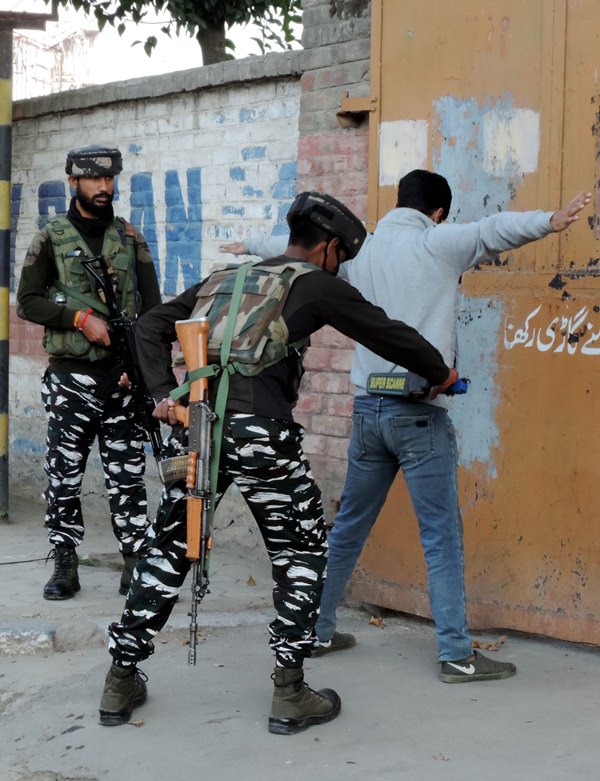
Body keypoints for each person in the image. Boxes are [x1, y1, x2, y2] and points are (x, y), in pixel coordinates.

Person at [97, 191, 457, 734]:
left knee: (170, 546)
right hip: (263, 433)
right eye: (343, 257)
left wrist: (163, 396)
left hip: (202, 433)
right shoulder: (313, 284)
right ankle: (289, 693)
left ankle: (119, 681)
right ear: (331, 247)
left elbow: (149, 325)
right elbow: (386, 331)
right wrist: (438, 370)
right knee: (300, 552)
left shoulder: (225, 279)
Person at [220, 171, 591, 684]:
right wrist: (549, 222)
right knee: (440, 536)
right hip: (419, 416)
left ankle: (317, 631)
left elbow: (295, 251)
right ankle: (458, 655)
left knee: (348, 527)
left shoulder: (361, 250)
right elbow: (492, 231)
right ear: (437, 213)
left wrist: (249, 245)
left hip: (367, 413)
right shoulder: (438, 243)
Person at [16, 144, 162, 601]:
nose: (104, 187)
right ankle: (64, 561)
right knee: (64, 473)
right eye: (94, 180)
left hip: (122, 379)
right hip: (71, 376)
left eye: (109, 179)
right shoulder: (51, 238)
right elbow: (28, 301)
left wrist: (139, 368)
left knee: (127, 472)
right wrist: (78, 319)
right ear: (74, 183)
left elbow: (155, 311)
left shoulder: (131, 238)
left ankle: (134, 558)